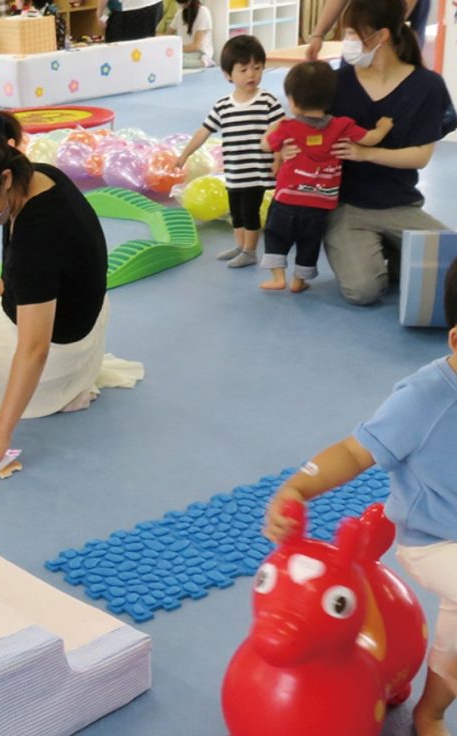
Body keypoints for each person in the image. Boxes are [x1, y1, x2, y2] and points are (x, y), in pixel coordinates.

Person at [265, 258, 457, 736]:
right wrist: (298, 486)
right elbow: (353, 453)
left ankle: (430, 712)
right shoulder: (425, 398)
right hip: (434, 540)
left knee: (454, 644)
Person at [0, 111, 143, 477]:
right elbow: (14, 252)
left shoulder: (38, 236)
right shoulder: (36, 176)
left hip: (60, 353)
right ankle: (69, 385)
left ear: (3, 178)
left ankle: (60, 390)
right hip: (85, 322)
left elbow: (34, 349)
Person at [309, 0, 455, 305]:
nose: (347, 42)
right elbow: (307, 130)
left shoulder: (427, 85)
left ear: (382, 36)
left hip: (401, 205)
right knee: (363, 291)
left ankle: (392, 252)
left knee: (451, 264)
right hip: (347, 207)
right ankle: (380, 251)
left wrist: (365, 153)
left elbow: (420, 156)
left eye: (353, 34)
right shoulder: (337, 83)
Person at [258, 61, 393, 293]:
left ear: (293, 102)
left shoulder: (288, 127)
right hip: (319, 204)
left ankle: (278, 277)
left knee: (276, 235)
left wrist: (272, 128)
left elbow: (266, 145)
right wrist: (383, 127)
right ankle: (299, 281)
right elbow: (370, 139)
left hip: (287, 200)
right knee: (309, 242)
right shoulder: (341, 126)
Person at [175, 36, 284, 268]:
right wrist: (185, 154)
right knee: (237, 212)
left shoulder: (267, 101)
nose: (251, 75)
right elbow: (204, 131)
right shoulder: (223, 105)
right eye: (243, 69)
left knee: (250, 212)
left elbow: (280, 132)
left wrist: (278, 160)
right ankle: (240, 246)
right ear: (227, 75)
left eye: (257, 68)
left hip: (257, 172)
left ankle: (250, 251)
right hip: (234, 172)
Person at [305, 0, 428, 60]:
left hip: (393, 30)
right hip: (368, 30)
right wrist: (318, 34)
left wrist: (375, 38)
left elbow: (398, 13)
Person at [164, 0, 214, 68]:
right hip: (185, 52)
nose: (180, 6)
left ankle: (206, 62)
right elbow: (167, 35)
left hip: (200, 53)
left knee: (174, 62)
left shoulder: (203, 11)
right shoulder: (180, 13)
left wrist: (176, 50)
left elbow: (196, 46)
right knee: (167, 59)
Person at [97, 0, 163, 43]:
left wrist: (99, 13)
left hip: (129, 9)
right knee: (146, 44)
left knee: (120, 49)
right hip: (155, 5)